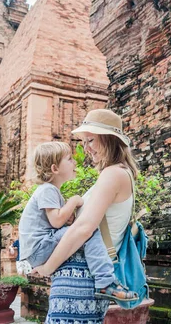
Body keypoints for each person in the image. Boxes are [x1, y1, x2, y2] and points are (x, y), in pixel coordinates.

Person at [31, 109, 139, 323]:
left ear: (110, 140)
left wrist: (47, 268)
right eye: (83, 142)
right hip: (82, 275)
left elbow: (83, 229)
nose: (86, 148)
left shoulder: (113, 174)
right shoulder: (115, 173)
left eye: (90, 140)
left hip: (83, 276)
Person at [19, 141, 137, 302]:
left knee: (83, 230)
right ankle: (105, 281)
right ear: (55, 169)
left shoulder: (50, 191)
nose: (75, 162)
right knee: (89, 230)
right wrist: (74, 201)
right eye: (69, 159)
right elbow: (56, 221)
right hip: (40, 247)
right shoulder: (47, 189)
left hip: (39, 247)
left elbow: (57, 221)